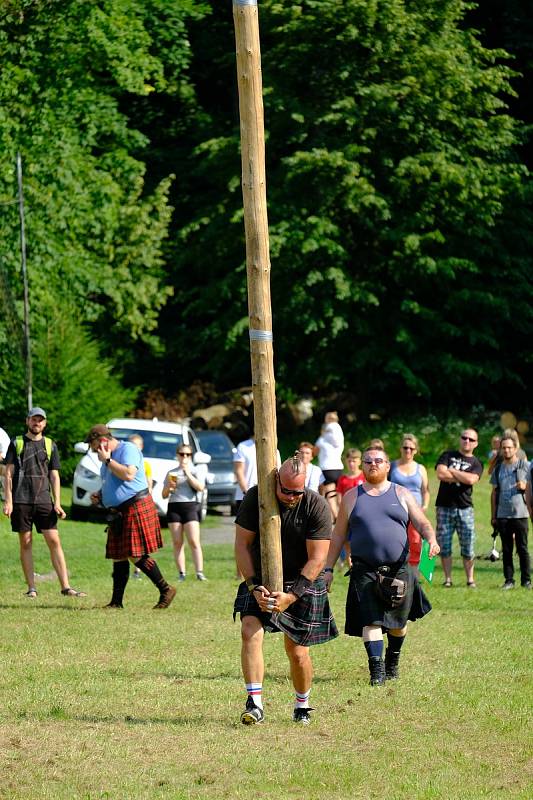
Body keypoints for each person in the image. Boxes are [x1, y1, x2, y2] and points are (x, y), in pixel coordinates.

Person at [234, 453, 338, 725]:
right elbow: (242, 545)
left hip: (301, 580)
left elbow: (318, 558)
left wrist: (292, 596)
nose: (291, 497)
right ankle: (254, 703)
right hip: (261, 577)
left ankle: (302, 705)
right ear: (276, 480)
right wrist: (253, 585)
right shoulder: (256, 498)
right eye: (286, 491)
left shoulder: (316, 505)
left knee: (297, 652)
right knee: (249, 631)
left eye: (297, 492)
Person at [325, 446, 439, 685]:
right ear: (362, 466)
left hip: (399, 569)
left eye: (378, 460)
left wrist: (432, 539)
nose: (373, 464)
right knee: (371, 620)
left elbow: (422, 522)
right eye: (368, 461)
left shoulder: (402, 493)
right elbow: (337, 536)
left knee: (398, 624)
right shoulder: (351, 497)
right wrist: (327, 570)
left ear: (388, 466)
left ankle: (392, 662)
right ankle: (376, 672)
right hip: (364, 569)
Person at [86, 424, 175, 609]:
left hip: (135, 506)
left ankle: (166, 589)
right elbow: (113, 482)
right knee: (118, 555)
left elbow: (128, 474)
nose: (93, 450)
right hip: (119, 511)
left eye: (94, 445)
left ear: (103, 441)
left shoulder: (128, 449)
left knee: (136, 554)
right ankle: (116, 602)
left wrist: (108, 460)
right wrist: (100, 494)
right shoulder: (106, 460)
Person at [2, 408, 86, 599]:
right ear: (27, 421)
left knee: (54, 541)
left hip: (43, 500)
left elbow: (54, 475)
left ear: (45, 423)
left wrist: (57, 502)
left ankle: (66, 587)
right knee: (25, 542)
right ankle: (32, 588)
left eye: (40, 420)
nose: (37, 423)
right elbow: (8, 474)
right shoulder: (17, 443)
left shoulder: (50, 445)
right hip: (21, 500)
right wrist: (8, 501)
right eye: (34, 419)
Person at [435, 429, 483, 588]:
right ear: (460, 439)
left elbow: (471, 480)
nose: (467, 441)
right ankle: (448, 579)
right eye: (464, 437)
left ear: (475, 443)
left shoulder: (476, 462)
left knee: (468, 545)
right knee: (444, 544)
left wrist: (453, 471)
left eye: (471, 439)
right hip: (444, 507)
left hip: (465, 509)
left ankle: (470, 579)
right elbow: (441, 474)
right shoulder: (447, 455)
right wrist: (462, 476)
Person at [162, 443, 208, 582]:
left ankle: (199, 572)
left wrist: (187, 473)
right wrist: (169, 487)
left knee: (194, 541)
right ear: (177, 455)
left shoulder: (195, 471)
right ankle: (181, 573)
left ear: (191, 456)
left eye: (187, 454)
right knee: (177, 542)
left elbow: (200, 487)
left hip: (190, 506)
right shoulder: (171, 472)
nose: (184, 457)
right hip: (174, 506)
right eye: (182, 454)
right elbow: (164, 495)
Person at [490, 436, 531, 590]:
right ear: (500, 449)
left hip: (521, 514)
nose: (506, 450)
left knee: (523, 548)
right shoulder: (498, 468)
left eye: (509, 447)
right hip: (502, 515)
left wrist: (525, 485)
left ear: (515, 449)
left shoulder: (525, 465)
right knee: (506, 549)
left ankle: (526, 581)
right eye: (504, 447)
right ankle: (509, 580)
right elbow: (494, 493)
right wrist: (493, 515)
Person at [389, 433, 430, 571]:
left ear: (416, 451)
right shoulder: (392, 466)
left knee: (416, 541)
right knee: (394, 541)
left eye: (411, 448)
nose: (408, 451)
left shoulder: (421, 468)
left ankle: (414, 574)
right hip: (395, 509)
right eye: (405, 447)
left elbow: (426, 490)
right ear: (400, 449)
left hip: (415, 510)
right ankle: (394, 571)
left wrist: (425, 506)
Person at [128, 434, 153, 580]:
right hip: (129, 504)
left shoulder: (145, 464)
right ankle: (136, 570)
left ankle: (140, 570)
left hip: (140, 503)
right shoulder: (126, 462)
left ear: (141, 447)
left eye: (137, 445)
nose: (134, 447)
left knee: (141, 541)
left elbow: (149, 484)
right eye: (132, 444)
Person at [314, 411, 344, 520]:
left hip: (327, 468)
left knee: (330, 494)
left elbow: (315, 451)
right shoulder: (339, 433)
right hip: (338, 467)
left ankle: (336, 518)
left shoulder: (323, 437)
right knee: (337, 494)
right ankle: (338, 516)